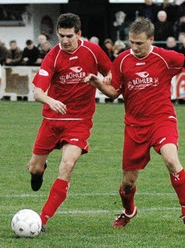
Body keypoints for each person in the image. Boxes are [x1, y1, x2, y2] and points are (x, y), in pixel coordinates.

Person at [88, 17, 185, 230]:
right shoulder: (123, 60)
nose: (134, 48)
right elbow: (114, 92)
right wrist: (98, 84)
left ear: (151, 39)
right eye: (131, 43)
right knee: (128, 183)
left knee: (171, 160)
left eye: (140, 43)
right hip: (134, 126)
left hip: (162, 120)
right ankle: (128, 211)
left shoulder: (165, 57)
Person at [25, 13, 111, 232]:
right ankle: (40, 170)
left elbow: (111, 75)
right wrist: (50, 100)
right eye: (61, 35)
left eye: (69, 36)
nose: (64, 40)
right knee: (34, 168)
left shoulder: (93, 51)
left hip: (80, 120)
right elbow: (37, 92)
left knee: (67, 165)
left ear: (79, 33)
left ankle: (43, 219)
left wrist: (99, 82)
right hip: (52, 120)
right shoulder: (53, 56)